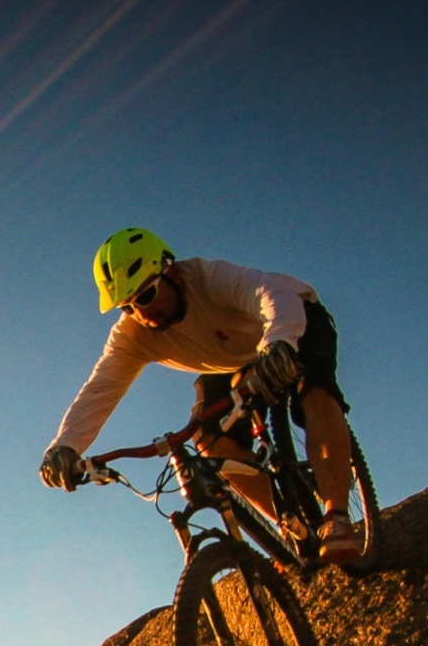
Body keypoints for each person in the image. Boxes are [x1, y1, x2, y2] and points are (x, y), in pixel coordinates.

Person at [39, 228, 360, 563]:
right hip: (231, 363)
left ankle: (336, 517)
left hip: (294, 323)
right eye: (128, 307)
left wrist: (279, 342)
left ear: (171, 272)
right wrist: (65, 447)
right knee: (209, 441)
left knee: (314, 394)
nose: (141, 314)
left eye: (146, 295)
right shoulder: (132, 336)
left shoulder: (209, 279)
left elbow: (272, 294)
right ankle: (290, 526)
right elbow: (101, 388)